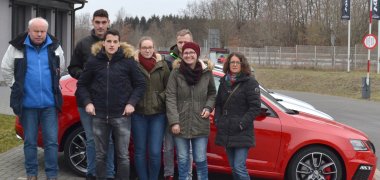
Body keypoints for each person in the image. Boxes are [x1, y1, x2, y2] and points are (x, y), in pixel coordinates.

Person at [75, 29, 146, 180]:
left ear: (119, 43)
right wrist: (88, 102)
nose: (112, 44)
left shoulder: (128, 61)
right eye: (109, 41)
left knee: (123, 156)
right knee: (100, 155)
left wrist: (131, 103)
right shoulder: (94, 61)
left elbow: (140, 84)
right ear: (103, 43)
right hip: (99, 115)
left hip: (121, 115)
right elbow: (82, 84)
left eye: (115, 42)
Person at [1, 17, 65, 180]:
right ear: (29, 31)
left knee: (51, 142)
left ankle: (52, 175)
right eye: (36, 31)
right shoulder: (16, 48)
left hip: (50, 106)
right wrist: (17, 87)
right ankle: (31, 174)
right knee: (30, 142)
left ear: (46, 31)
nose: (39, 34)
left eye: (42, 31)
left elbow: (61, 68)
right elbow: (6, 69)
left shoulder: (55, 47)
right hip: (27, 106)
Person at [68, 9, 115, 179]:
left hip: (108, 102)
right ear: (92, 22)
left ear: (108, 22)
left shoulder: (115, 42)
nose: (101, 25)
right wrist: (86, 75)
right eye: (98, 22)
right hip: (85, 101)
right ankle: (92, 174)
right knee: (91, 140)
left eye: (104, 22)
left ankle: (109, 174)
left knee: (108, 141)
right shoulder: (82, 44)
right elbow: (72, 68)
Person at [166, 42, 216, 180]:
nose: (188, 55)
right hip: (180, 124)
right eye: (186, 53)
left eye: (192, 52)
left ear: (197, 54)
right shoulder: (176, 73)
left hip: (200, 123)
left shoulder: (206, 73)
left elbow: (212, 93)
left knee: (200, 159)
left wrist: (208, 107)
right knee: (182, 160)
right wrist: (174, 122)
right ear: (182, 55)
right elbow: (170, 97)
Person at [214, 52, 261, 180]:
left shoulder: (250, 82)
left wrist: (241, 124)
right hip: (227, 130)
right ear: (228, 64)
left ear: (242, 64)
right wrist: (217, 119)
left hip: (242, 131)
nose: (234, 65)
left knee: (239, 167)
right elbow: (218, 104)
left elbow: (255, 107)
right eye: (232, 62)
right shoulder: (224, 81)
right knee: (233, 167)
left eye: (237, 62)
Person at [131, 36, 170, 180]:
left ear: (154, 48)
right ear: (139, 49)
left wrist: (159, 98)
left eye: (150, 47)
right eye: (144, 47)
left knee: (154, 151)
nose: (147, 50)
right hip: (138, 114)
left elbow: (169, 88)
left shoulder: (162, 65)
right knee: (140, 151)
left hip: (157, 115)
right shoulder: (133, 64)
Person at [163, 28, 195, 180]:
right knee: (168, 147)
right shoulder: (168, 61)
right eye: (180, 42)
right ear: (176, 42)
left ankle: (187, 176)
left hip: (189, 112)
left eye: (186, 42)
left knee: (187, 150)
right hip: (170, 110)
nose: (183, 45)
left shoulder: (197, 60)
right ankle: (169, 174)